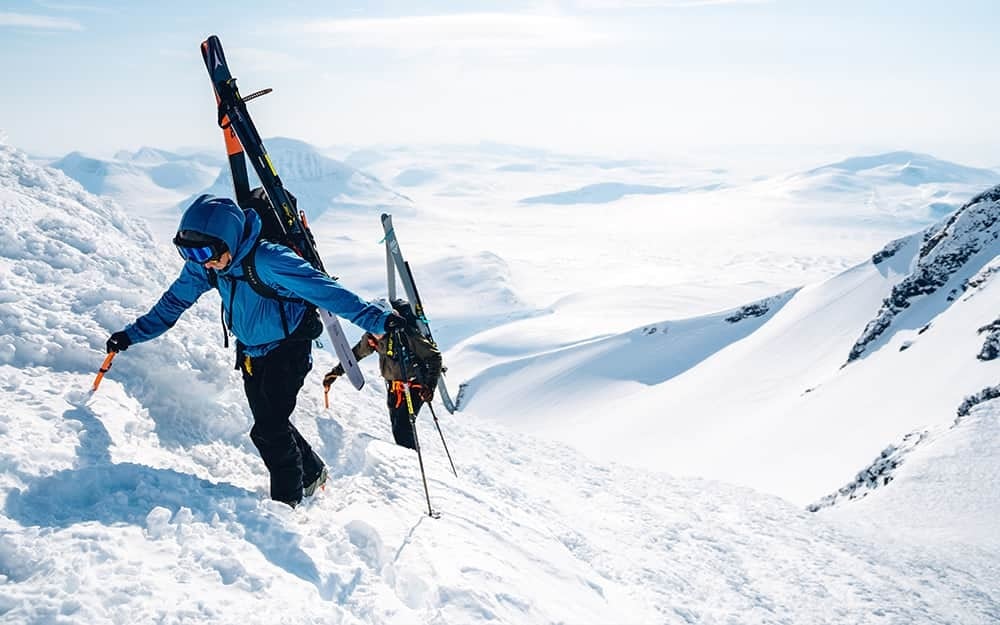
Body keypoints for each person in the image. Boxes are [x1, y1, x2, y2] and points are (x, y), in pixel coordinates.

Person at [106, 194, 404, 507]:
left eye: (205, 252)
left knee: (268, 430)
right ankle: (313, 472)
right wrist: (131, 335)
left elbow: (328, 293)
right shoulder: (205, 266)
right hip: (250, 352)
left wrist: (379, 321)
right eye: (187, 253)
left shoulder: (270, 260)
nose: (200, 260)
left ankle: (285, 506)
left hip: (288, 349)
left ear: (228, 240)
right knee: (270, 419)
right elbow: (173, 304)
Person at [323, 299, 442, 450]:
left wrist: (430, 386)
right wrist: (336, 372)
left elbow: (434, 357)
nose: (374, 329)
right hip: (394, 386)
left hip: (415, 383)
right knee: (397, 425)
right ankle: (408, 458)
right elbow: (356, 354)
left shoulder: (405, 333)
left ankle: (410, 461)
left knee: (403, 426)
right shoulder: (371, 338)